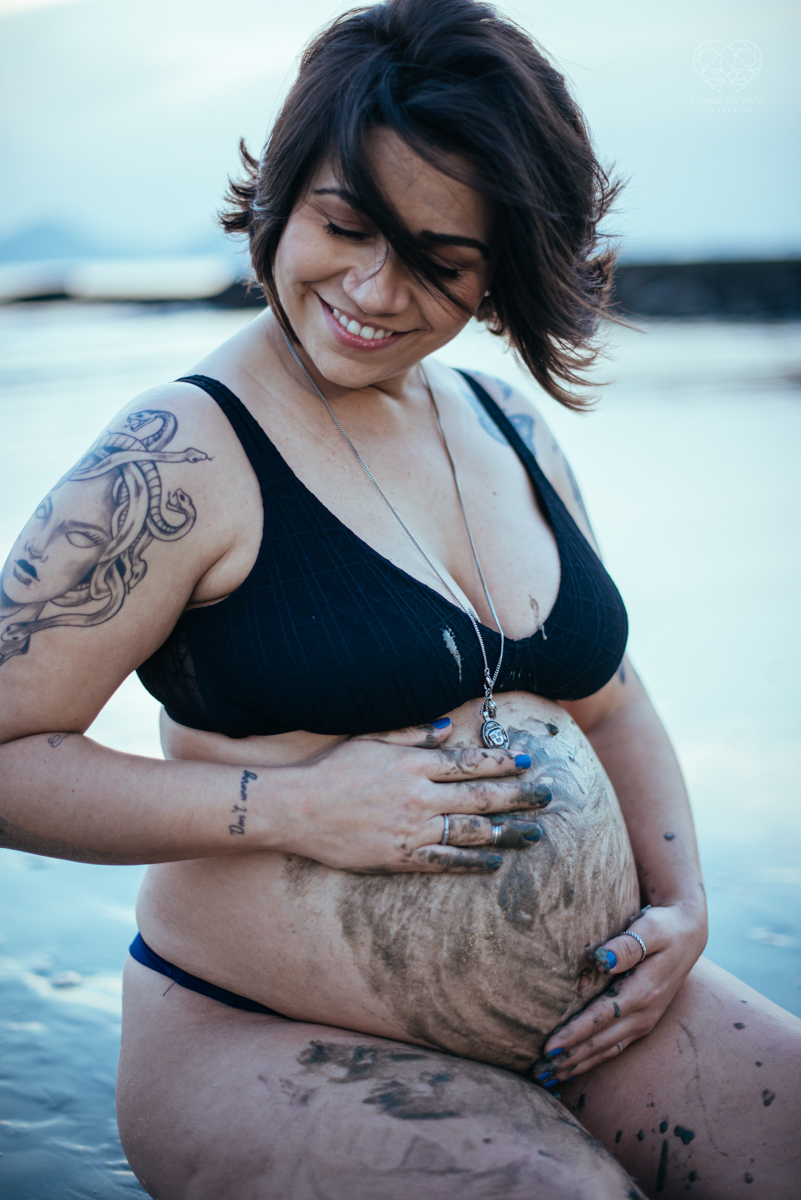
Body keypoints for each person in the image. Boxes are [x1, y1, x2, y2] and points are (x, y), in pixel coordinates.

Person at [1, 1, 798, 1196]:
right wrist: (292, 808)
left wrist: (682, 907)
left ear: (500, 274)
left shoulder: (510, 429)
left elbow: (613, 701)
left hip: (597, 1019)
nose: (374, 290)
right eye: (345, 226)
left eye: (439, 260)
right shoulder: (175, 455)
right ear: (282, 194)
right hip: (264, 1037)